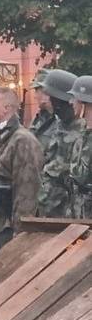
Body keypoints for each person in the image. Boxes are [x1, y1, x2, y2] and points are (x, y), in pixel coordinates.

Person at [0, 86, 43, 250]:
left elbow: (27, 191)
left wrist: (21, 233)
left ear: (6, 108)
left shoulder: (23, 140)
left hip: (7, 226)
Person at [37, 68, 81, 219]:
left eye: (52, 98)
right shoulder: (57, 125)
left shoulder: (83, 130)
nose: (49, 101)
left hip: (73, 211)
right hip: (50, 207)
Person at [68, 76, 92, 220]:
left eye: (75, 99)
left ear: (84, 103)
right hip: (81, 211)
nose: (71, 103)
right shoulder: (83, 133)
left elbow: (81, 175)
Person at [29, 69, 57, 151]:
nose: (35, 96)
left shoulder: (61, 121)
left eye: (36, 91)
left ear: (46, 92)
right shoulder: (38, 118)